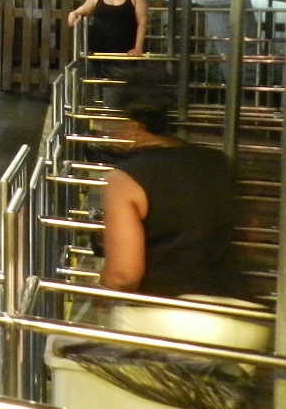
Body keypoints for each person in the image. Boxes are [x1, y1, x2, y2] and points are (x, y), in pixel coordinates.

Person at [101, 85, 245, 298]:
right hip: (239, 307)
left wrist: (102, 287)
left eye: (111, 126)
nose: (106, 135)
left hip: (166, 306)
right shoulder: (218, 162)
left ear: (134, 126)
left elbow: (124, 276)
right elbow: (247, 236)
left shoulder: (123, 180)